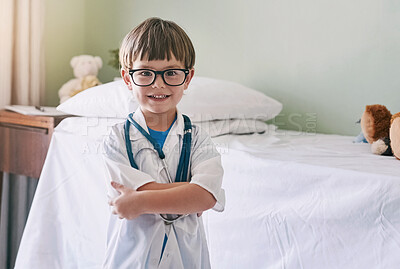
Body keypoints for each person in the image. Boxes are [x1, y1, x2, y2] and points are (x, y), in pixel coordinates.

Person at [102, 17, 225, 268]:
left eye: (171, 73)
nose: (158, 84)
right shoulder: (116, 140)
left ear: (188, 78)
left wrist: (141, 202)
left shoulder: (199, 139)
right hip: (133, 259)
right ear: (127, 78)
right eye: (145, 73)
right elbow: (199, 193)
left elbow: (205, 196)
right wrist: (187, 192)